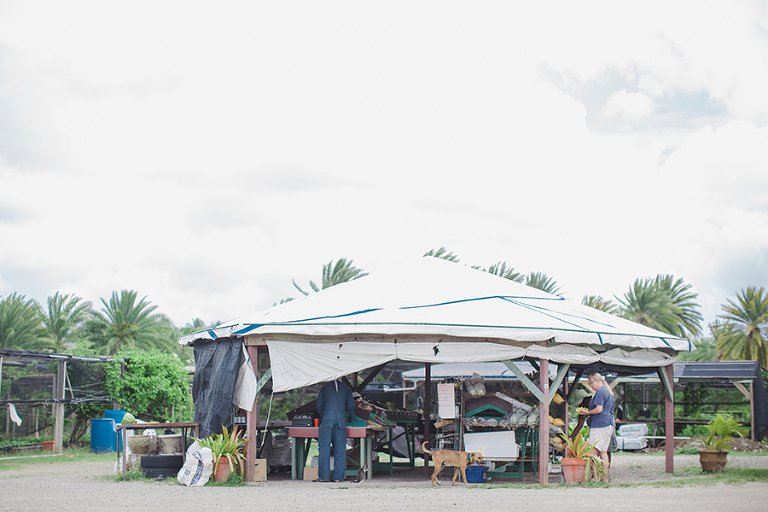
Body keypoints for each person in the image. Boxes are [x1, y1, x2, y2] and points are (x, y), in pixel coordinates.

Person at [316, 378, 357, 482]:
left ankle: (324, 477)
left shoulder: (325, 388)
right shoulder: (346, 388)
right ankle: (338, 478)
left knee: (324, 449)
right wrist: (352, 417)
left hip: (327, 421)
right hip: (341, 421)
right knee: (340, 450)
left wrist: (322, 417)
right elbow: (351, 405)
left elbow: (319, 405)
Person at [578, 373, 614, 482]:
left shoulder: (599, 392)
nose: (591, 385)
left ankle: (595, 477)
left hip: (599, 424)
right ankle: (605, 477)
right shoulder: (608, 392)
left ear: (598, 381)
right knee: (603, 451)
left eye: (591, 383)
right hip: (608, 424)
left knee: (593, 452)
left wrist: (587, 413)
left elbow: (599, 409)